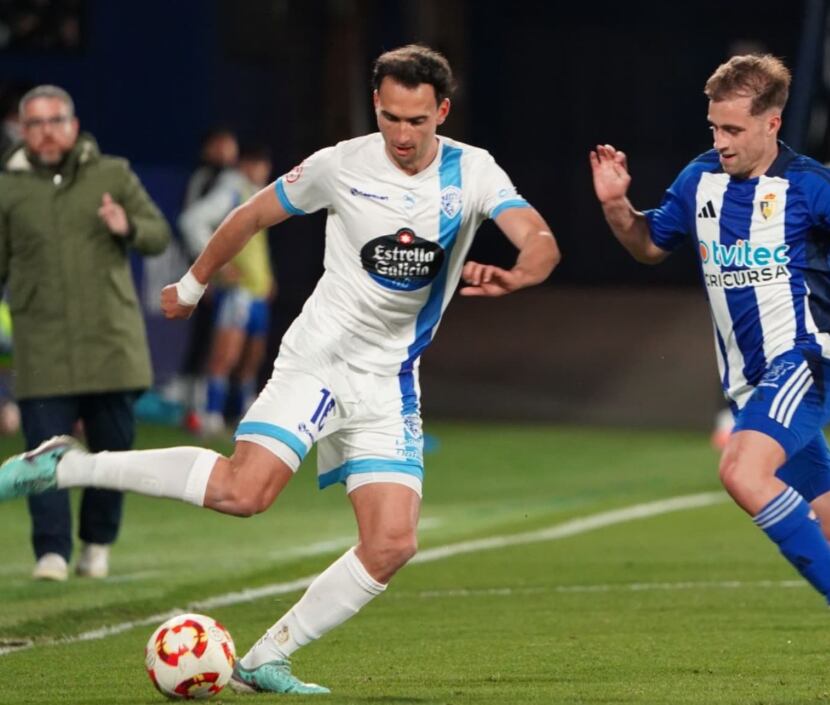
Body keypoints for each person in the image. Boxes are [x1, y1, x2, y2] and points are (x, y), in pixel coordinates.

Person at [0, 45, 559, 692]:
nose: (403, 136)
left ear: (443, 111)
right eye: (391, 118)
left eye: (418, 121)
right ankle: (63, 465)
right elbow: (250, 214)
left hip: (391, 380)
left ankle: (265, 657)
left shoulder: (475, 171)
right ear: (376, 105)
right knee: (245, 492)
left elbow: (539, 237)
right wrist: (191, 284)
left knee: (393, 542)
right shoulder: (338, 165)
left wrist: (521, 273)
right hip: (320, 357)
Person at [590, 54, 830, 604]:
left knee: (743, 474)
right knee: (826, 519)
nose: (721, 141)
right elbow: (649, 245)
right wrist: (615, 206)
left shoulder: (810, 187)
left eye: (734, 129)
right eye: (715, 127)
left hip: (801, 362)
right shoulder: (699, 179)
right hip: (748, 384)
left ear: (772, 123)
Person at [0, 85, 170, 581]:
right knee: (43, 458)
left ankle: (95, 545)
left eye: (56, 121)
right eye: (36, 123)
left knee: (111, 457)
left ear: (74, 126)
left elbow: (158, 234)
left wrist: (126, 226)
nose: (47, 131)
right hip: (42, 344)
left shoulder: (111, 173)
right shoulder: (7, 188)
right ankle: (50, 553)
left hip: (110, 343)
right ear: (22, 129)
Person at [178, 144, 275, 434]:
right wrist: (216, 265)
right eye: (259, 164)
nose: (263, 172)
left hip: (257, 290)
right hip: (238, 291)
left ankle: (244, 416)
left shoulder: (257, 195)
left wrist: (269, 276)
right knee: (225, 356)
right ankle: (210, 415)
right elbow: (192, 221)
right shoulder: (230, 191)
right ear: (246, 164)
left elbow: (256, 245)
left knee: (251, 358)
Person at [168, 128, 240, 432]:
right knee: (209, 340)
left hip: (223, 274)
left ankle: (202, 406)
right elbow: (190, 221)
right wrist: (206, 268)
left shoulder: (229, 179)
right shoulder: (217, 181)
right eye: (220, 144)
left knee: (216, 341)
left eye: (230, 145)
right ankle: (197, 407)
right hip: (210, 271)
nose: (226, 150)